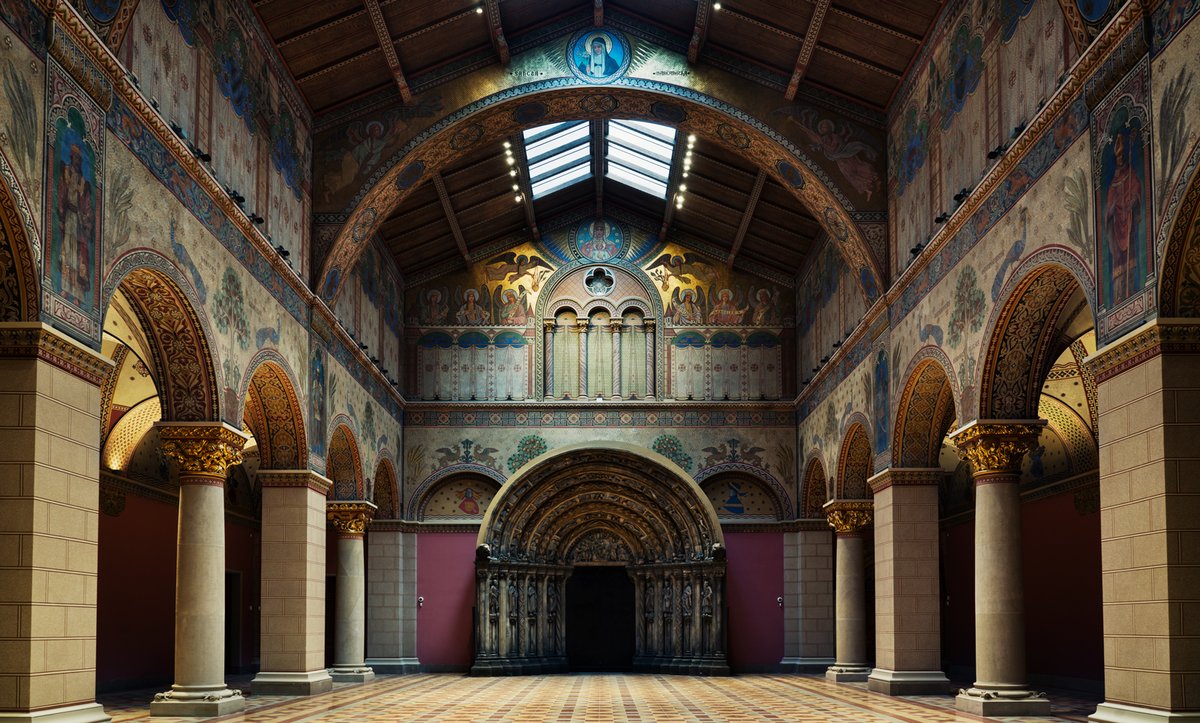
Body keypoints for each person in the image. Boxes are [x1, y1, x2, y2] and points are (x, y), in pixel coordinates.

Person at [1104, 131, 1142, 302]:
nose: (1120, 161)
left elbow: (1136, 189)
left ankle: (1132, 288)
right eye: (1117, 160)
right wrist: (1113, 210)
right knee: (1118, 260)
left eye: (1121, 158)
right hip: (1117, 226)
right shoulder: (1112, 183)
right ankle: (1119, 295)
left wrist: (1134, 200)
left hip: (1128, 220)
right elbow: (1109, 208)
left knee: (1132, 253)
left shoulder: (1131, 173)